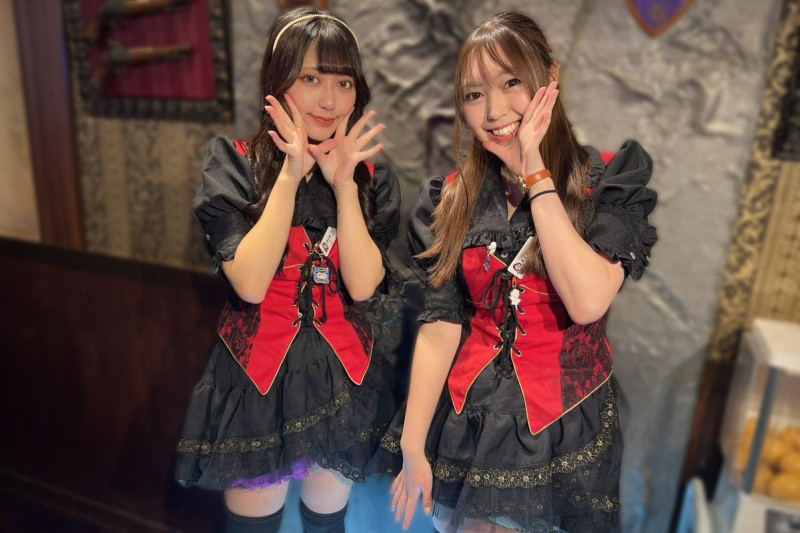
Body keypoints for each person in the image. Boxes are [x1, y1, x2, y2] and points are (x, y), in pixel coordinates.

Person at [382, 11, 658, 533]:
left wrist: (536, 171)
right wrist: (412, 446)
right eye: (473, 94)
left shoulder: (608, 179)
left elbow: (587, 302)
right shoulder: (448, 200)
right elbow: (441, 328)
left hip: (563, 429)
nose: (493, 111)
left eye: (511, 82)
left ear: (549, 78)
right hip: (468, 424)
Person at [174, 7, 400, 533]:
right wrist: (290, 175)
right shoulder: (234, 162)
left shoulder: (369, 179)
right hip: (257, 379)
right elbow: (251, 283)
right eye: (311, 78)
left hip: (343, 376)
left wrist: (344, 186)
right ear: (278, 82)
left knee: (327, 524)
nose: (329, 100)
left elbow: (364, 285)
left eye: (343, 82)